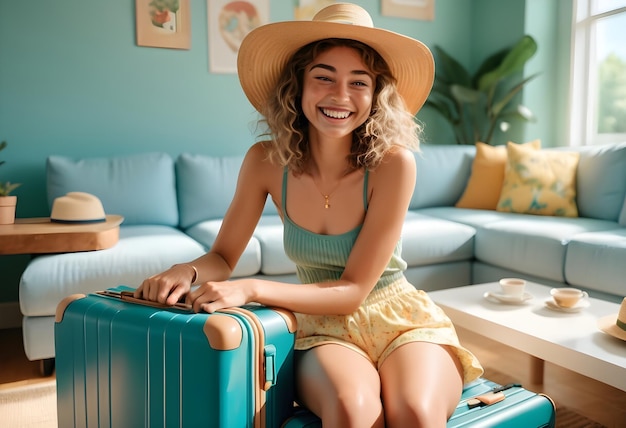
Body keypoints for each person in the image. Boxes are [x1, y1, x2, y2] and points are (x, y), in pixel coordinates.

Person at [136, 3, 483, 427]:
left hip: (401, 319)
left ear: (376, 96)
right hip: (322, 327)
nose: (340, 96)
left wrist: (250, 289)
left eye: (359, 82)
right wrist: (186, 271)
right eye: (324, 77)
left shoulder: (394, 164)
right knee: (353, 413)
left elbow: (353, 289)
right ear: (296, 86)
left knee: (415, 412)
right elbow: (223, 259)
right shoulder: (265, 160)